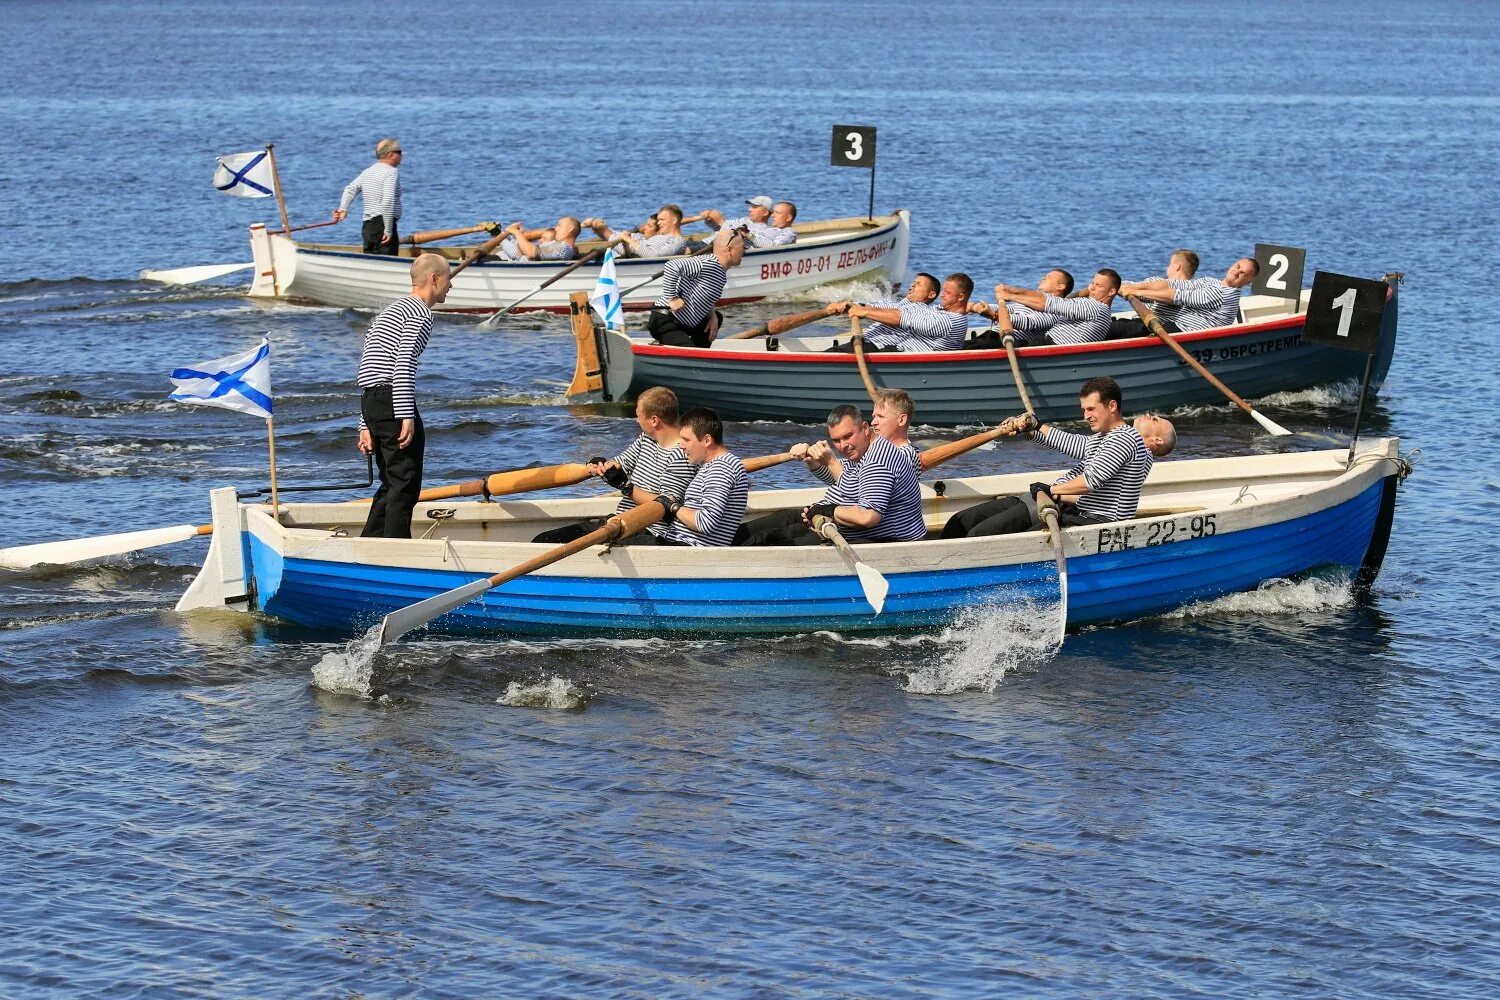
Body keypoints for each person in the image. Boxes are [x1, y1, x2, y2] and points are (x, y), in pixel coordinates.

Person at [939, 376, 1154, 538]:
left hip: (1097, 524)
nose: (1085, 416)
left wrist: (1050, 490)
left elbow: (1090, 481)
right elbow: (1072, 443)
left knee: (981, 534)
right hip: (1076, 514)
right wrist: (1033, 428)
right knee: (962, 522)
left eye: (1091, 409)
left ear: (1112, 406)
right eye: (1084, 409)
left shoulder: (1124, 439)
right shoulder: (1104, 438)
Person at [356, 253, 452, 538]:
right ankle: (396, 549)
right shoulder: (420, 312)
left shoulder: (389, 311)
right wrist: (406, 414)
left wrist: (364, 423)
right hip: (392, 400)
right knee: (406, 481)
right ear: (433, 279)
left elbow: (369, 365)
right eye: (449, 280)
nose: (450, 287)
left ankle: (371, 544)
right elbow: (404, 361)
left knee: (391, 480)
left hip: (372, 400)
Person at [735, 404, 926, 546]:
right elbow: (841, 479)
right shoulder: (863, 450)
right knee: (771, 527)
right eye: (837, 440)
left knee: (766, 541)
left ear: (865, 428)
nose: (843, 445)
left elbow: (867, 517)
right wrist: (812, 459)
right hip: (847, 526)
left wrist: (828, 510)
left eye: (848, 436)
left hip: (886, 540)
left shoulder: (878, 460)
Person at [530, 387, 694, 545]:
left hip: (648, 531)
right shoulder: (648, 439)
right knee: (543, 540)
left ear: (654, 421)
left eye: (638, 416)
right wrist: (601, 466)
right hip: (618, 522)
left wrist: (626, 486)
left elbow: (666, 507)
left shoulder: (681, 455)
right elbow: (620, 462)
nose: (636, 420)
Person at [626, 406, 749, 547]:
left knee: (615, 543)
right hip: (678, 542)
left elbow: (705, 523)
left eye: (686, 440)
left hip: (690, 549)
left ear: (707, 440)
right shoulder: (715, 465)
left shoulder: (721, 468)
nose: (681, 446)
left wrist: (673, 507)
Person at [794, 387, 919, 484]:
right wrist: (812, 460)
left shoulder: (904, 456)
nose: (874, 422)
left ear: (901, 420)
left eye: (880, 416)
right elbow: (834, 476)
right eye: (874, 416)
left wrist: (832, 462)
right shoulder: (871, 454)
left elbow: (858, 489)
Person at [646, 227, 745, 348]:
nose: (744, 252)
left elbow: (702, 294)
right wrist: (672, 298)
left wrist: (712, 315)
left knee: (717, 317)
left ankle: (701, 352)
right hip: (666, 321)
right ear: (730, 250)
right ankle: (694, 355)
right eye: (742, 248)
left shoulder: (720, 272)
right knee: (692, 353)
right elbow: (672, 266)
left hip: (685, 324)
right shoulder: (708, 263)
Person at [968, 269, 1119, 348]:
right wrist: (982, 307)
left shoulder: (1095, 308)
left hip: (1050, 347)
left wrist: (1008, 296)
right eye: (1092, 283)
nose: (1091, 289)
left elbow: (1047, 304)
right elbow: (1017, 307)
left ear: (1112, 292)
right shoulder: (1085, 305)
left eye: (1098, 286)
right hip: (1045, 344)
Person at [825, 273, 973, 353]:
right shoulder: (939, 311)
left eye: (947, 292)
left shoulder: (946, 321)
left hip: (899, 357)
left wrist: (863, 311)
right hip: (893, 352)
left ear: (960, 297)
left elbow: (901, 318)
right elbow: (891, 309)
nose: (943, 295)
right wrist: (855, 306)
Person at [1121, 256, 1258, 332]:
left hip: (1182, 334)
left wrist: (1134, 291)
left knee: (1120, 329)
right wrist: (1129, 285)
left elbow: (1176, 296)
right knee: (1122, 325)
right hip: (1170, 326)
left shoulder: (1224, 295)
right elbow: (1174, 284)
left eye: (1243, 274)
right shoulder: (1211, 281)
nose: (1236, 272)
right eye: (1237, 266)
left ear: (1248, 282)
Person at [333, 137, 404, 255]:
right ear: (390, 154)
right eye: (399, 152)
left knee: (371, 259)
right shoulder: (391, 172)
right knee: (387, 263)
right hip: (383, 224)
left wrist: (343, 209)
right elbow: (387, 202)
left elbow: (350, 189)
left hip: (368, 227)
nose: (402, 156)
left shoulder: (368, 172)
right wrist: (388, 229)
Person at [1109, 248, 1199, 337]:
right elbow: (1133, 285)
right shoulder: (1194, 292)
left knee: (1109, 328)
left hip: (1152, 327)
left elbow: (1171, 294)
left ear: (1177, 267)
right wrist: (1117, 286)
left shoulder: (1182, 292)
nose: (1167, 267)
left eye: (1170, 264)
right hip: (1140, 323)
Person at [587, 205, 690, 258]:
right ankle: (599, 228)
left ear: (674, 220)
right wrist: (626, 243)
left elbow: (653, 256)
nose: (658, 223)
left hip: (641, 262)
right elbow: (632, 254)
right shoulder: (657, 237)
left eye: (662, 220)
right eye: (658, 220)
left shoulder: (677, 241)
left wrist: (628, 240)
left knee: (606, 233)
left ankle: (600, 228)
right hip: (629, 255)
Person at [700, 196, 798, 246]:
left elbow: (774, 246)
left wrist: (722, 222)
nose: (773, 215)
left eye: (778, 213)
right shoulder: (769, 229)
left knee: (686, 248)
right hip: (711, 243)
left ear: (788, 218)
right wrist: (712, 222)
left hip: (715, 247)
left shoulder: (787, 231)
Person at [492, 217, 582, 261]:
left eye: (560, 225)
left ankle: (496, 233)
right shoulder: (560, 246)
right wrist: (519, 236)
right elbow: (523, 254)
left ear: (570, 229)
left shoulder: (563, 248)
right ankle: (496, 233)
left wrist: (517, 233)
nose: (556, 228)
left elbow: (531, 254)